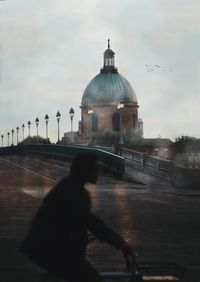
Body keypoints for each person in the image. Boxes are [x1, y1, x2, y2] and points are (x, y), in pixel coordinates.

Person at [20, 152, 133, 282]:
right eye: (95, 168)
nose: (98, 171)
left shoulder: (69, 185)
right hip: (51, 251)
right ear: (86, 170)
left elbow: (77, 221)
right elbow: (91, 222)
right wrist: (120, 243)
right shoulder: (75, 192)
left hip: (44, 248)